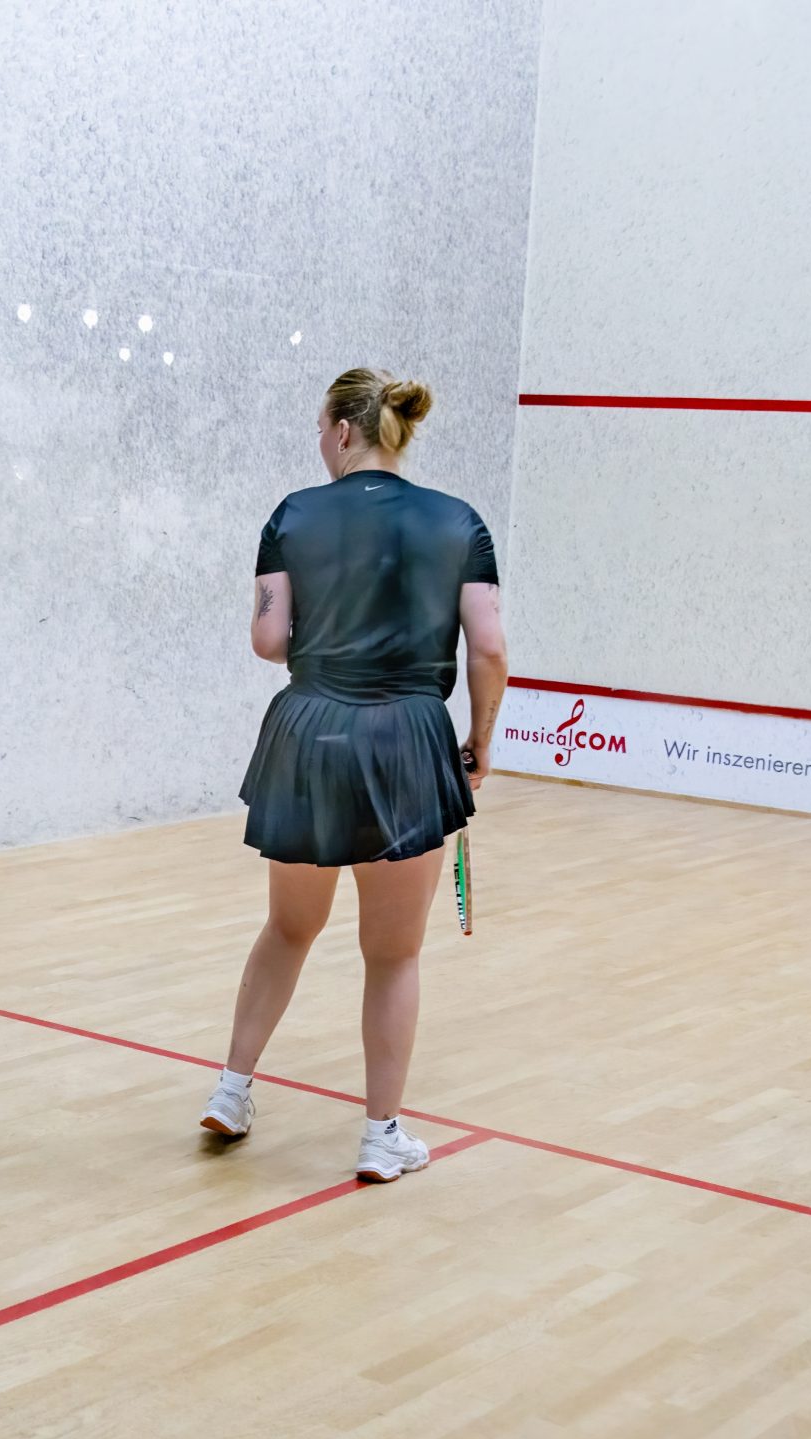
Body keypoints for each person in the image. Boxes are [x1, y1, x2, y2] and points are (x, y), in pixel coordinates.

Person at [200, 368, 508, 1179]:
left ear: (342, 431)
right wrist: (479, 740)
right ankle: (381, 1137)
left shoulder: (293, 515)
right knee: (394, 953)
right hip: (410, 739)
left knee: (288, 927)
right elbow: (489, 648)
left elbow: (268, 641)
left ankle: (231, 1091)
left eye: (319, 429)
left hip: (309, 734)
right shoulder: (460, 522)